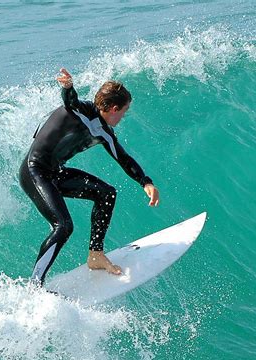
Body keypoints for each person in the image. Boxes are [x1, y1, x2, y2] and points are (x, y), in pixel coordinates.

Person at [19, 68, 160, 285]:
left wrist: (145, 182)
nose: (123, 116)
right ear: (114, 109)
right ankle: (34, 285)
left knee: (106, 193)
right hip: (34, 171)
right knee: (63, 226)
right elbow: (70, 100)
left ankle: (96, 255)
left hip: (55, 172)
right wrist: (67, 87)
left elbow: (123, 158)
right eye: (124, 111)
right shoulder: (81, 110)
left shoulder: (104, 131)